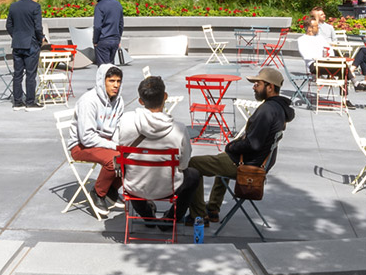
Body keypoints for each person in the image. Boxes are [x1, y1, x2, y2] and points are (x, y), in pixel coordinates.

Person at [174, 67, 296, 225]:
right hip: (254, 161)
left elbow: (253, 144)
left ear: (270, 87)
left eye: (257, 84)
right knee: (220, 160)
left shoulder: (267, 110)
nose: (254, 87)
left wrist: (231, 146)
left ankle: (198, 216)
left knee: (193, 164)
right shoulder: (279, 109)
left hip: (247, 165)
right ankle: (212, 209)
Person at [114, 75, 189, 218]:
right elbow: (184, 165)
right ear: (165, 96)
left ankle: (146, 216)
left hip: (134, 186)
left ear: (141, 101)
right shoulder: (179, 129)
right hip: (169, 188)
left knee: (130, 172)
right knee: (193, 176)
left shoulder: (125, 121)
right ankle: (172, 218)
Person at [69, 65, 129, 205]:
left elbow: (116, 129)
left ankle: (112, 189)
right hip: (81, 145)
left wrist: (119, 145)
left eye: (118, 81)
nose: (116, 85)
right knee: (114, 160)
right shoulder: (88, 101)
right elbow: (86, 137)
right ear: (102, 81)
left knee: (131, 155)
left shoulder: (119, 101)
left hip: (103, 142)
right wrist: (115, 146)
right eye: (111, 81)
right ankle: (98, 193)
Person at [6, 0, 46, 111]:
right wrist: (41, 38)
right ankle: (30, 102)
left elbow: (9, 26)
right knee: (30, 74)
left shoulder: (13, 6)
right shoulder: (35, 7)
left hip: (17, 44)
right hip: (31, 44)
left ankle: (17, 102)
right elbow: (38, 27)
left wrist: (16, 36)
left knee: (17, 74)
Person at [91, 0, 124, 66]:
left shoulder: (99, 6)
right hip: (115, 40)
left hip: (103, 40)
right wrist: (118, 38)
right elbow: (121, 24)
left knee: (103, 69)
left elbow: (97, 26)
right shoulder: (118, 4)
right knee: (110, 67)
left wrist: (95, 40)